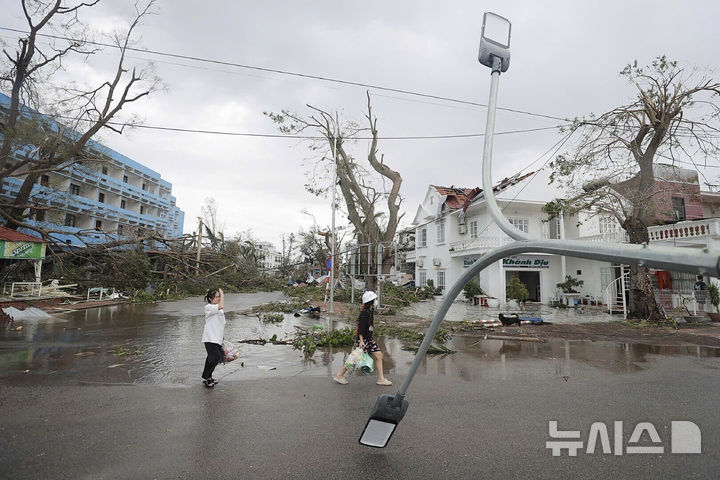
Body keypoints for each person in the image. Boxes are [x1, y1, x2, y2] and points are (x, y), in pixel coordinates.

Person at [333, 290, 392, 386]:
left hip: (369, 339)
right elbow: (360, 328)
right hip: (363, 340)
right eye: (374, 299)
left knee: (379, 355)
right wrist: (361, 341)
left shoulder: (369, 311)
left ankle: (381, 379)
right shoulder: (365, 312)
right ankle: (340, 375)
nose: (375, 301)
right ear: (370, 301)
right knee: (354, 359)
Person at [201, 288, 225, 388]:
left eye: (219, 297)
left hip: (217, 337)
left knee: (216, 357)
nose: (219, 298)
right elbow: (221, 305)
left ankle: (207, 376)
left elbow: (221, 322)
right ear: (210, 299)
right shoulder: (208, 307)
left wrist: (222, 334)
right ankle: (207, 377)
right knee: (215, 357)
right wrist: (222, 295)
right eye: (217, 297)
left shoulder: (218, 308)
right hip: (210, 337)